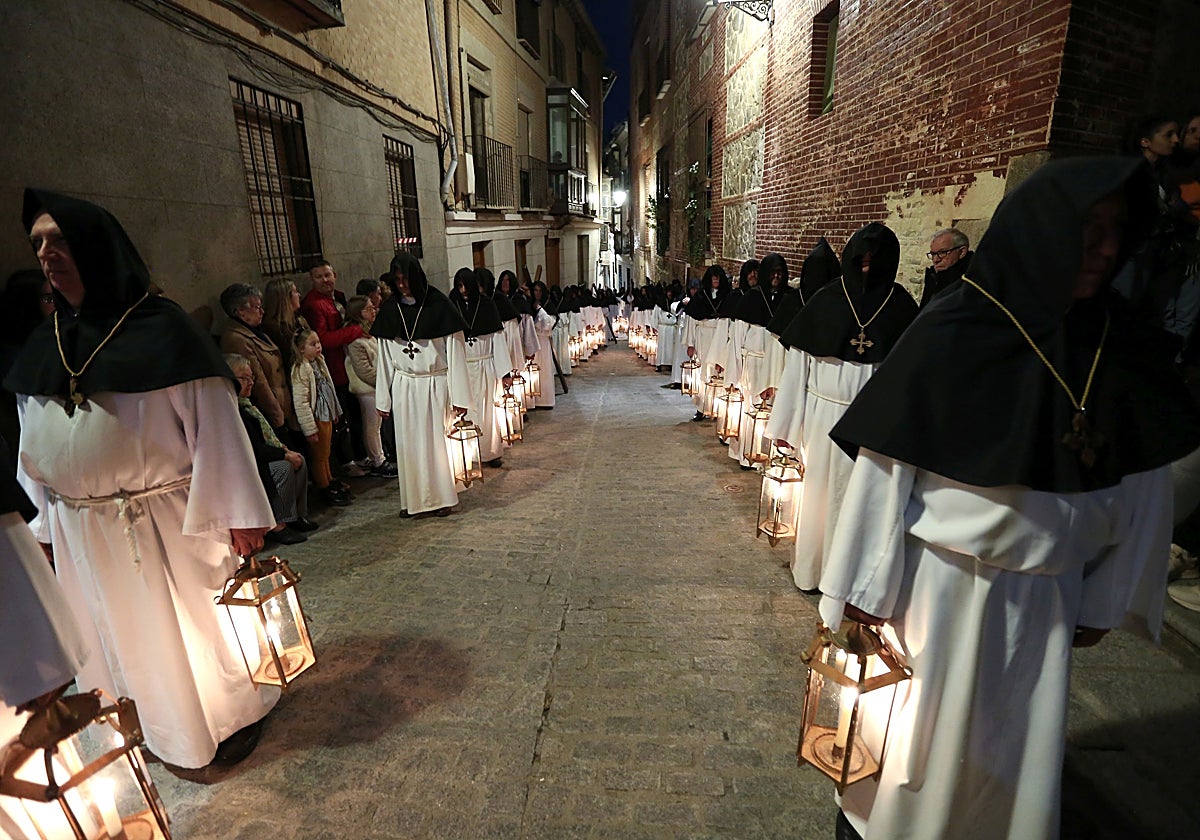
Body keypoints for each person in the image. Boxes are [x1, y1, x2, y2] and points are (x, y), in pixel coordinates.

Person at [819, 157, 1200, 840]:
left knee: (1015, 758)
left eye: (1118, 233)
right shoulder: (956, 328)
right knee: (917, 748)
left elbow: (1143, 483)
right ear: (1043, 229)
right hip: (940, 589)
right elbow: (884, 471)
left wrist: (1108, 594)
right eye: (1089, 230)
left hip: (1049, 599)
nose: (1105, 250)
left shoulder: (1123, 344)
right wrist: (859, 589)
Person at [7, 188, 278, 768]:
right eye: (38, 243)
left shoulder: (165, 331)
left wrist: (240, 516)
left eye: (59, 240)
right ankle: (150, 725)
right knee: (114, 638)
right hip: (83, 528)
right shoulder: (44, 344)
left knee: (193, 633)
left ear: (97, 248)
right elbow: (34, 445)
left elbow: (217, 427)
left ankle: (226, 722)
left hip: (165, 521)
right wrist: (42, 531)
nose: (47, 253)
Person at [767, 223, 918, 591]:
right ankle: (813, 571)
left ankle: (854, 581)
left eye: (874, 260)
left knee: (865, 504)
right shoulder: (826, 300)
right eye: (861, 259)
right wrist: (786, 428)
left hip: (874, 425)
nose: (867, 266)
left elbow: (911, 373)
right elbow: (797, 370)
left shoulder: (901, 305)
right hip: (824, 420)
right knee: (820, 497)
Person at [374, 253, 473, 517]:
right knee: (408, 447)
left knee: (436, 446)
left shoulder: (439, 305)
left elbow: (455, 353)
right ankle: (414, 501)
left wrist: (460, 397)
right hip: (405, 386)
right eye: (397, 280)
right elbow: (384, 358)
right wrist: (383, 400)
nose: (402, 285)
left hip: (435, 384)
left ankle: (442, 498)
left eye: (405, 279)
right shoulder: (389, 310)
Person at [225, 353, 316, 544]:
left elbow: (266, 435)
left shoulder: (250, 404)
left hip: (263, 454)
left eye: (252, 377)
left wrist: (284, 450)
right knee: (283, 468)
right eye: (244, 378)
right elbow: (252, 447)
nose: (250, 382)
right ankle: (279, 524)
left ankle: (296, 516)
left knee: (300, 459)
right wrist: (283, 454)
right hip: (250, 464)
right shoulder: (232, 410)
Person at [300, 261, 364, 469]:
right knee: (342, 418)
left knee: (356, 416)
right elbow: (322, 339)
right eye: (319, 277)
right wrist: (354, 331)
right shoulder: (313, 304)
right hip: (334, 369)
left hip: (348, 366)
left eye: (327, 275)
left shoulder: (338, 297)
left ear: (334, 275)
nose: (325, 280)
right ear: (312, 280)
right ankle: (347, 462)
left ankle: (361, 455)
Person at [452, 268, 514, 464]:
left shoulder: (487, 305)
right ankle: (468, 455)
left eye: (465, 285)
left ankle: (489, 451)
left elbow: (497, 339)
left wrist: (505, 372)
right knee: (466, 410)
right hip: (461, 368)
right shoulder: (452, 304)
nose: (462, 290)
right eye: (459, 285)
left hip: (484, 365)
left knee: (487, 411)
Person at [219, 282, 293, 434]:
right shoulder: (237, 339)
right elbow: (258, 381)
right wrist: (276, 414)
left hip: (282, 403)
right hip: (269, 411)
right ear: (241, 311)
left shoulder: (255, 331)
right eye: (257, 307)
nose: (262, 311)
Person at [291, 327, 351, 507]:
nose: (318, 346)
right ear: (301, 348)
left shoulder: (319, 361)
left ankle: (330, 479)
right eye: (312, 344)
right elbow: (301, 401)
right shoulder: (300, 369)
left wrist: (334, 411)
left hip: (326, 413)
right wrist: (309, 428)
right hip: (316, 416)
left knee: (326, 452)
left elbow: (329, 387)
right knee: (318, 455)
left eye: (318, 342)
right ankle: (324, 487)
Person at [345, 295, 398, 478]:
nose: (373, 310)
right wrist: (384, 382)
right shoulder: (356, 340)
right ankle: (378, 461)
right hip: (367, 389)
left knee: (377, 425)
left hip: (377, 387)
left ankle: (379, 455)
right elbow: (364, 371)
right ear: (359, 313)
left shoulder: (369, 333)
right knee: (372, 425)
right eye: (368, 309)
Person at [919, 227, 972, 309]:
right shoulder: (933, 276)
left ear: (962, 252)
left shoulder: (971, 280)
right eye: (933, 254)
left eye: (942, 252)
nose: (936, 260)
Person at [529, 280, 557, 409]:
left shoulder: (548, 305)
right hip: (532, 341)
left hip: (543, 341)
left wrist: (539, 309)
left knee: (544, 370)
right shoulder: (530, 305)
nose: (537, 293)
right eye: (535, 290)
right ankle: (532, 400)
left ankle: (545, 400)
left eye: (540, 290)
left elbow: (549, 324)